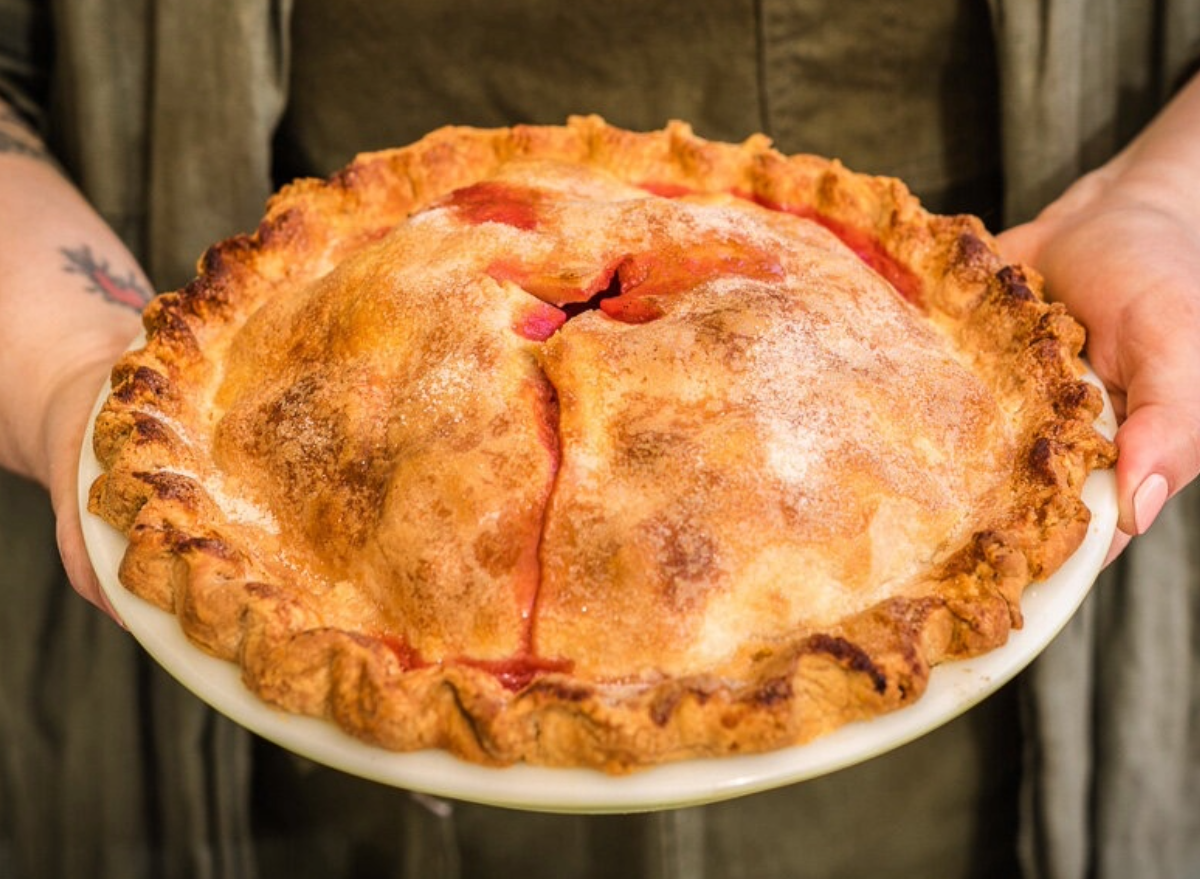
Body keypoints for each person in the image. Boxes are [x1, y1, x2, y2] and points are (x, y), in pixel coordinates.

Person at [0, 2, 1197, 877]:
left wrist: (1163, 200)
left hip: (968, 753)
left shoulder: (995, 445)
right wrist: (66, 361)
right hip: (246, 777)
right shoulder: (203, 475)